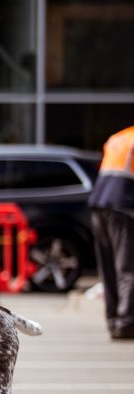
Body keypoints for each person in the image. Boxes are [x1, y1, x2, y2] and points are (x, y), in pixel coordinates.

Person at [88, 125, 134, 340]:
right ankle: (126, 322)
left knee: (108, 267)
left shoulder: (118, 137)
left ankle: (113, 320)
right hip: (123, 205)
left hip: (100, 203)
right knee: (127, 266)